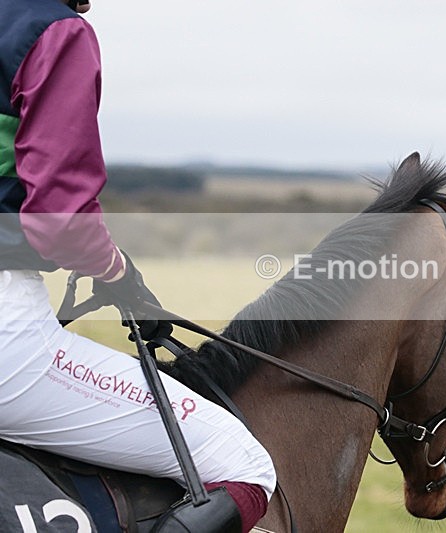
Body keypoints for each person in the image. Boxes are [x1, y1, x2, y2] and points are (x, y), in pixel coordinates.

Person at [0, 0, 275, 531]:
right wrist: (119, 275)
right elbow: (61, 221)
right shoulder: (54, 30)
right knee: (243, 466)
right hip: (9, 342)